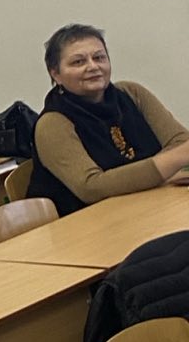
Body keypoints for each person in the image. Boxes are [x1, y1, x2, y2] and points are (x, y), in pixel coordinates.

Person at [28, 23, 189, 216]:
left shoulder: (132, 93)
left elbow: (180, 141)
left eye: (99, 58)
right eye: (78, 62)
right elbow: (91, 187)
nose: (93, 66)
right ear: (55, 74)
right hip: (88, 222)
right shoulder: (52, 123)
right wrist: (164, 169)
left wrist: (152, 175)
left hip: (147, 206)